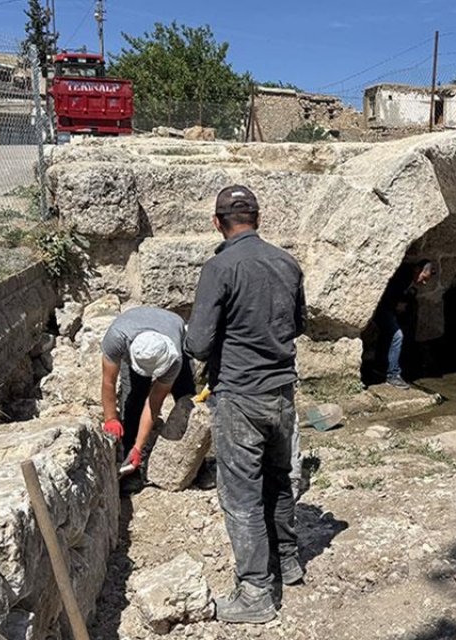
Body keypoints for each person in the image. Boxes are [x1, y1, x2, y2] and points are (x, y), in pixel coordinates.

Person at [186, 185, 307, 624]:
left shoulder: (219, 267)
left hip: (239, 395)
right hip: (281, 394)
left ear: (218, 223)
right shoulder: (287, 263)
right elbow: (296, 324)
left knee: (242, 495)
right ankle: (288, 562)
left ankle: (256, 592)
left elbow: (199, 343)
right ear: (258, 218)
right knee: (278, 481)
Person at [100, 306, 191, 475]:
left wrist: (139, 447)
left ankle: (193, 466)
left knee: (186, 395)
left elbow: (154, 402)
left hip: (171, 328)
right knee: (134, 396)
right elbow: (108, 382)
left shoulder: (175, 358)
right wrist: (110, 417)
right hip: (133, 326)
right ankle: (127, 455)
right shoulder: (116, 338)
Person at [375, 259, 436, 389]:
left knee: (388, 334)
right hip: (381, 307)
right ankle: (393, 375)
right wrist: (398, 305)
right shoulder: (402, 277)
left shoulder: (407, 277)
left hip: (385, 307)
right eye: (423, 278)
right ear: (417, 270)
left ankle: (380, 366)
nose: (424, 283)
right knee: (397, 336)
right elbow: (388, 295)